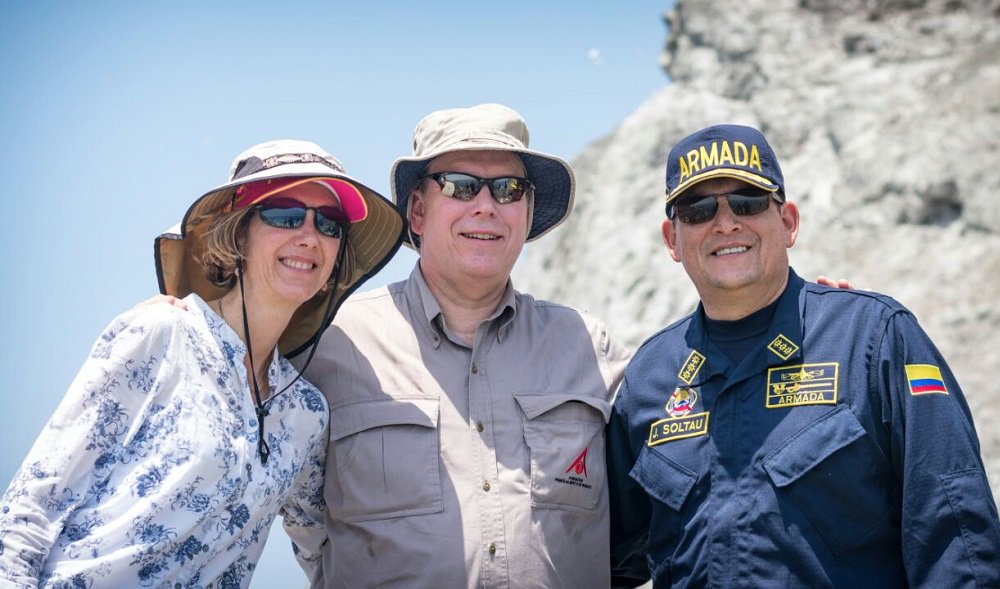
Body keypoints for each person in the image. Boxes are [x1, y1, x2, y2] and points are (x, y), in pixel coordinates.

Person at [606, 124, 1000, 588]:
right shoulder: (649, 377)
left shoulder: (875, 339)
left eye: (748, 201)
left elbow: (957, 541)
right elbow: (601, 557)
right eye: (697, 209)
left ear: (787, 223)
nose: (725, 223)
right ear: (672, 239)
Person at [0, 139, 405, 587]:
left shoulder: (307, 413)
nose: (309, 236)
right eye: (285, 214)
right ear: (238, 233)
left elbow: (325, 547)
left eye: (329, 225)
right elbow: (31, 508)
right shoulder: (160, 333)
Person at [283, 103, 631, 588]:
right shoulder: (330, 347)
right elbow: (296, 518)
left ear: (527, 213)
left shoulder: (591, 348)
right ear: (419, 211)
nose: (485, 205)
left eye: (509, 189)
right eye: (460, 186)